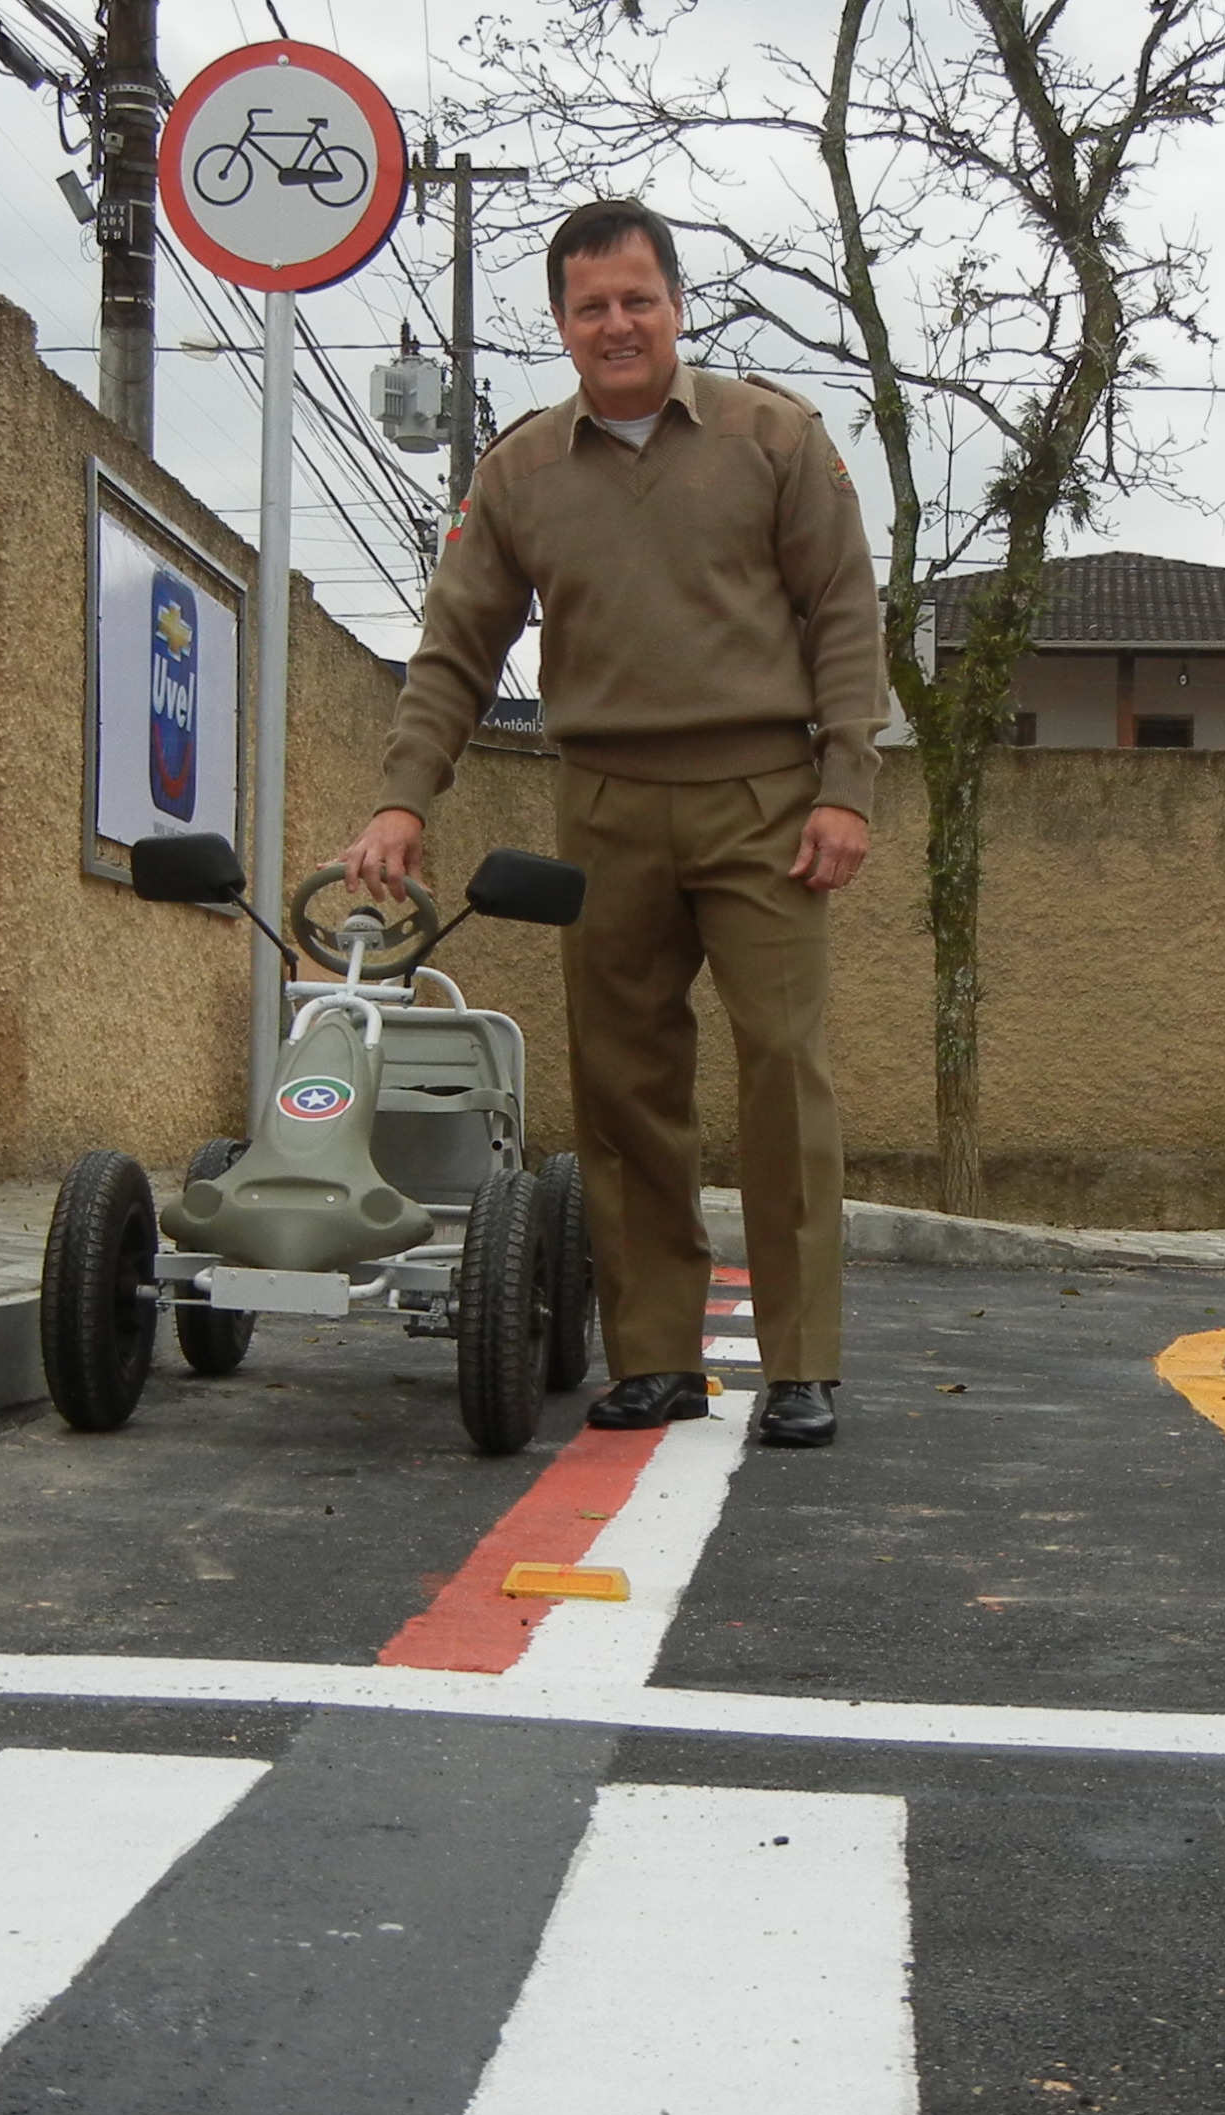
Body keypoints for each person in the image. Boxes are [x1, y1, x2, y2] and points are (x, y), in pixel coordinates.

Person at [334, 199, 882, 1451]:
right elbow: (455, 645)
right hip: (604, 806)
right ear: (563, 324)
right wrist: (403, 793)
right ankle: (654, 1360)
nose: (617, 324)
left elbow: (844, 616)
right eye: (591, 307)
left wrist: (846, 784)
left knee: (784, 1072)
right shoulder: (520, 470)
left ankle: (801, 1365)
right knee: (624, 1088)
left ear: (675, 306)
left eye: (638, 299)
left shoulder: (771, 436)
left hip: (765, 803)